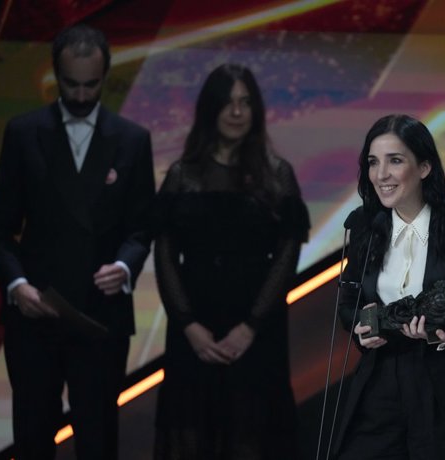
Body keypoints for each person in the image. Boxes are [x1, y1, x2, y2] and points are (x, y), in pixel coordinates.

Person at [0, 24, 155, 459]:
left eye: (90, 85)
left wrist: (124, 266)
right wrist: (16, 286)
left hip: (100, 319)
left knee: (97, 443)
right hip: (35, 315)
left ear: (105, 76)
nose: (80, 95)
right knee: (33, 440)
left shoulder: (133, 140)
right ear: (56, 75)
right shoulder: (23, 133)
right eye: (70, 84)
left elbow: (141, 228)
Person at [332, 114, 445, 460]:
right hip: (382, 380)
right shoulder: (365, 227)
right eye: (373, 162)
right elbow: (349, 304)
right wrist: (362, 329)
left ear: (424, 167)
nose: (381, 174)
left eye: (395, 161)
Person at [152, 63, 310, 459]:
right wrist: (189, 326)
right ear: (210, 109)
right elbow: (165, 254)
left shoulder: (277, 175)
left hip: (257, 328)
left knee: (252, 437)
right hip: (195, 327)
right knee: (191, 434)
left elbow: (287, 254)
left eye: (245, 102)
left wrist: (251, 326)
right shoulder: (182, 175)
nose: (237, 112)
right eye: (227, 103)